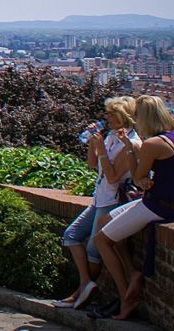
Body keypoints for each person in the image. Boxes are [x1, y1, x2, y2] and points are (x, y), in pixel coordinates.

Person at [95, 95, 174, 321]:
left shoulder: (151, 144)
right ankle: (132, 272)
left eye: (137, 116)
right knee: (105, 222)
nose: (135, 120)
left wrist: (130, 151)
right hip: (166, 203)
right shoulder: (172, 139)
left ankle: (126, 297)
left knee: (101, 240)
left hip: (157, 206)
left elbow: (139, 178)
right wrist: (136, 155)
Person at [56, 96, 139, 311]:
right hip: (99, 198)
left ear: (124, 115)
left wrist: (101, 150)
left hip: (112, 201)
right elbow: (93, 165)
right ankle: (85, 284)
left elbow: (113, 178)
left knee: (94, 250)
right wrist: (93, 145)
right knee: (71, 235)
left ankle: (82, 292)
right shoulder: (111, 137)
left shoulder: (131, 142)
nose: (107, 117)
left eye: (112, 113)